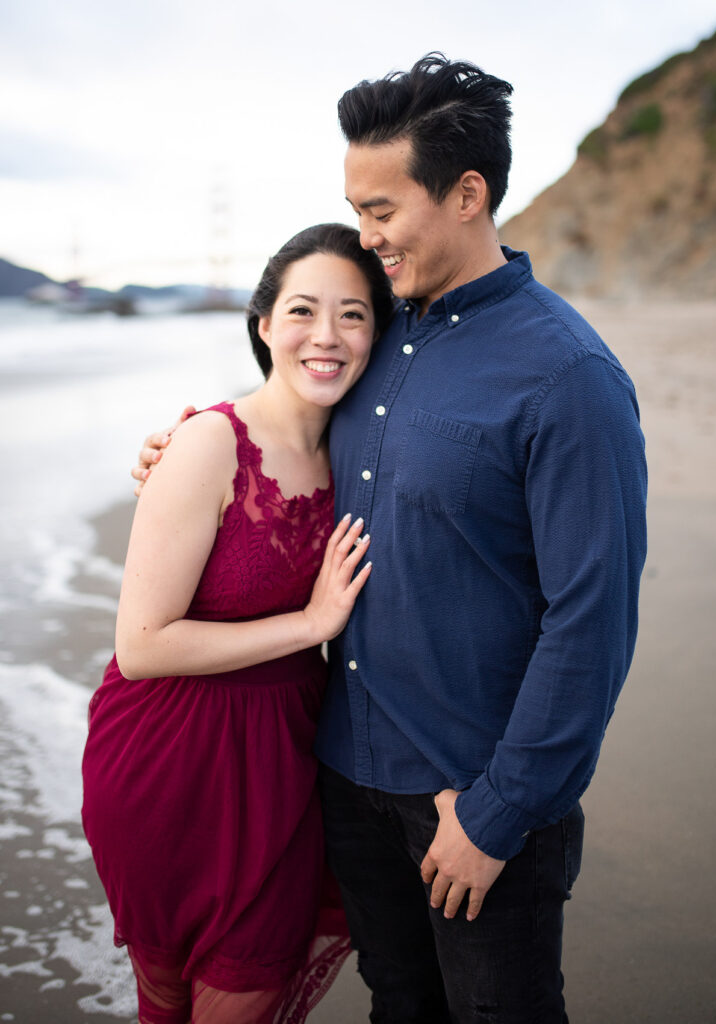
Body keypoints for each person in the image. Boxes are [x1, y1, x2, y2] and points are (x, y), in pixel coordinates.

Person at [135, 55, 647, 1024]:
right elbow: (276, 433)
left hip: (471, 794)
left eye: (380, 210)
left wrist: (499, 813)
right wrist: (178, 446)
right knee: (398, 1008)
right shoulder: (370, 341)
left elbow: (592, 617)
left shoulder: (566, 375)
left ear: (466, 194)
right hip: (343, 778)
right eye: (354, 210)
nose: (365, 235)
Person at [82, 223, 395, 1024]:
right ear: (263, 325)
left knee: (244, 990)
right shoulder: (207, 443)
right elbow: (142, 647)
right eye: (302, 310)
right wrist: (311, 621)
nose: (326, 336)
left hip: (284, 767)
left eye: (354, 315)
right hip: (166, 759)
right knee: (167, 1000)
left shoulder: (366, 454)